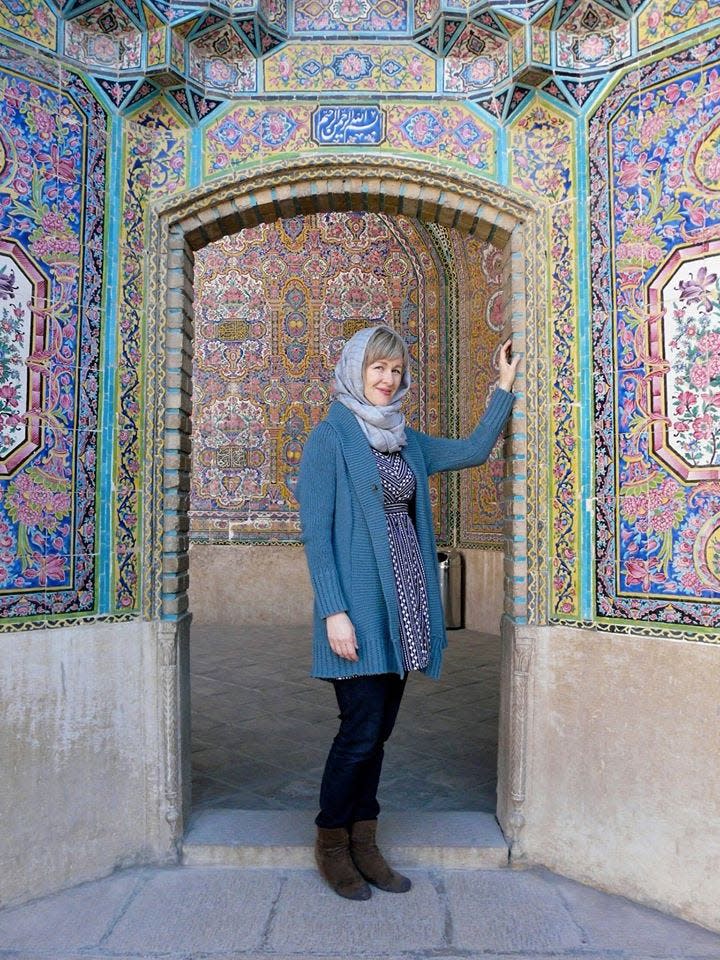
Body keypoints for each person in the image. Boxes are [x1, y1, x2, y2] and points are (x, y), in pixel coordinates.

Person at [297, 324, 519, 901]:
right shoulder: (331, 438)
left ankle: (364, 840)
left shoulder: (408, 440)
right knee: (360, 729)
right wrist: (334, 611)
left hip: (405, 606)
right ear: (355, 371)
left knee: (380, 733)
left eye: (396, 370)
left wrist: (505, 385)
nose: (388, 379)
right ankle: (331, 842)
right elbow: (316, 533)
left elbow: (471, 450)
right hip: (359, 608)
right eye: (378, 368)